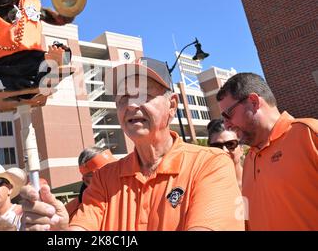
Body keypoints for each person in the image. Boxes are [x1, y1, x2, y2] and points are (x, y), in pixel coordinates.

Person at [20, 57, 244, 231]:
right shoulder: (103, 179)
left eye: (143, 95)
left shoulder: (211, 164)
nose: (131, 105)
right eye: (123, 98)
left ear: (172, 105)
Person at [216, 72, 318, 230]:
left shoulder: (309, 134)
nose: (227, 125)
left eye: (228, 114)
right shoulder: (249, 159)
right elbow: (247, 220)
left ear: (254, 102)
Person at [65, 147, 117, 221]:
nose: (113, 175)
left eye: (114, 169)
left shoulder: (128, 196)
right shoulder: (71, 214)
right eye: (104, 173)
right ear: (86, 180)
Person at [206, 119, 244, 190]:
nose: (224, 151)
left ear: (241, 148)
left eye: (230, 144)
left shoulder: (258, 179)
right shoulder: (207, 188)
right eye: (217, 146)